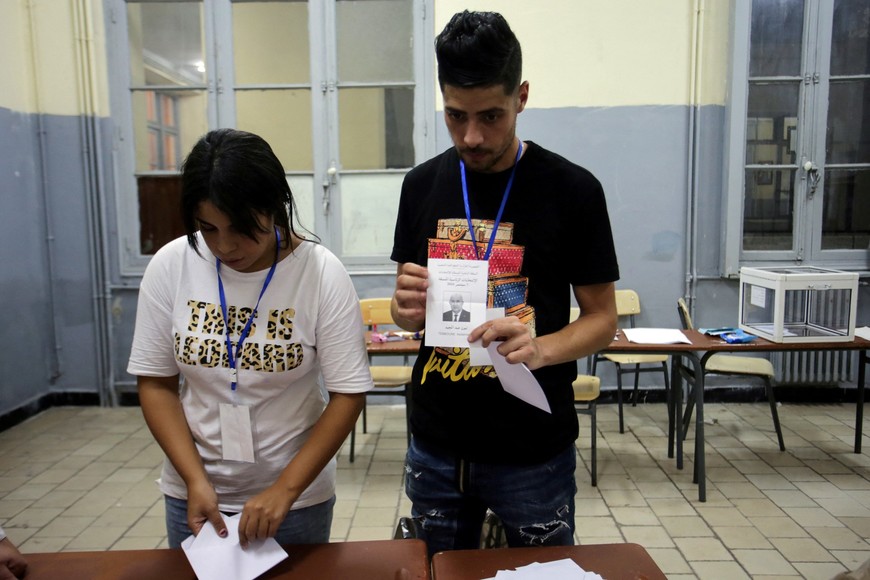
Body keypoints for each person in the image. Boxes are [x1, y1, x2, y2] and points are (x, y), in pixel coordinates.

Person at [391, 11, 619, 556]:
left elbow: (602, 319)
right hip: (437, 445)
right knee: (437, 571)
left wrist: (541, 348)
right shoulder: (421, 186)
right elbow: (407, 310)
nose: (472, 136)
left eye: (491, 115)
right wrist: (406, 310)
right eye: (455, 116)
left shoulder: (573, 190)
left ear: (521, 96)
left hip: (531, 449)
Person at [127, 128, 373, 549]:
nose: (226, 245)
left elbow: (348, 394)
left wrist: (285, 491)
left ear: (276, 206)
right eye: (208, 228)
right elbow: (155, 383)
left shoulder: (319, 273)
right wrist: (193, 479)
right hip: (195, 496)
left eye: (242, 227)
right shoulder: (172, 265)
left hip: (293, 504)